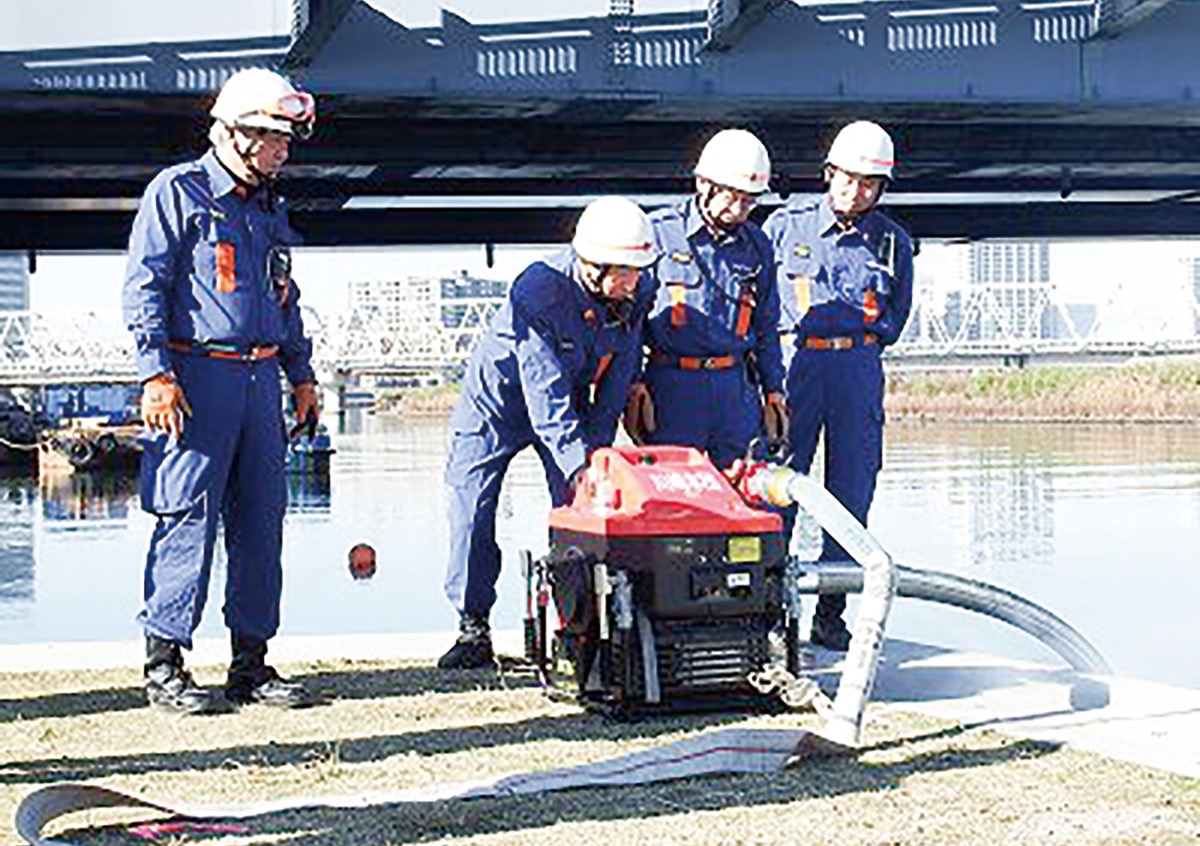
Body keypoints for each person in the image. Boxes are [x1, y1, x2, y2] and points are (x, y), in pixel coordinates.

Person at [122, 68, 325, 712]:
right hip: (194, 379)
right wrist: (155, 374)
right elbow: (145, 286)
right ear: (237, 134)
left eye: (287, 139)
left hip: (260, 381)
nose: (284, 150)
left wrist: (301, 374)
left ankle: (251, 667)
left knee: (262, 521)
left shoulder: (267, 208)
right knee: (186, 515)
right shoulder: (177, 193)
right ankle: (165, 666)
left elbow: (284, 298)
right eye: (276, 138)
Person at [438, 196, 660, 670]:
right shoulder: (540, 291)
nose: (633, 282)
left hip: (572, 400)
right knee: (471, 508)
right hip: (498, 406)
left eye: (638, 271)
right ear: (592, 265)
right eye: (624, 272)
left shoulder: (637, 289)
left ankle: (580, 625)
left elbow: (618, 375)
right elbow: (544, 392)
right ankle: (473, 625)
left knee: (583, 509)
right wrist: (578, 464)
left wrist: (595, 462)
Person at [763, 120, 914, 651]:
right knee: (779, 487)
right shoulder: (785, 227)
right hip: (795, 366)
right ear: (829, 174)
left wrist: (860, 351)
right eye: (848, 179)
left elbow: (896, 314)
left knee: (852, 492)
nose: (857, 191)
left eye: (869, 183)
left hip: (857, 370)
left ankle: (831, 614)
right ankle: (770, 614)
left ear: (881, 188)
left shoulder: (893, 242)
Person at [622, 128, 787, 471]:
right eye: (732, 197)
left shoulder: (758, 246)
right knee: (674, 492)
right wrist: (633, 384)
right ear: (704, 184)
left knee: (745, 490)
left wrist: (774, 390)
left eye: (749, 201)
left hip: (735, 393)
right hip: (672, 390)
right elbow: (631, 322)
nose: (738, 210)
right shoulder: (658, 234)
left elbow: (767, 328)